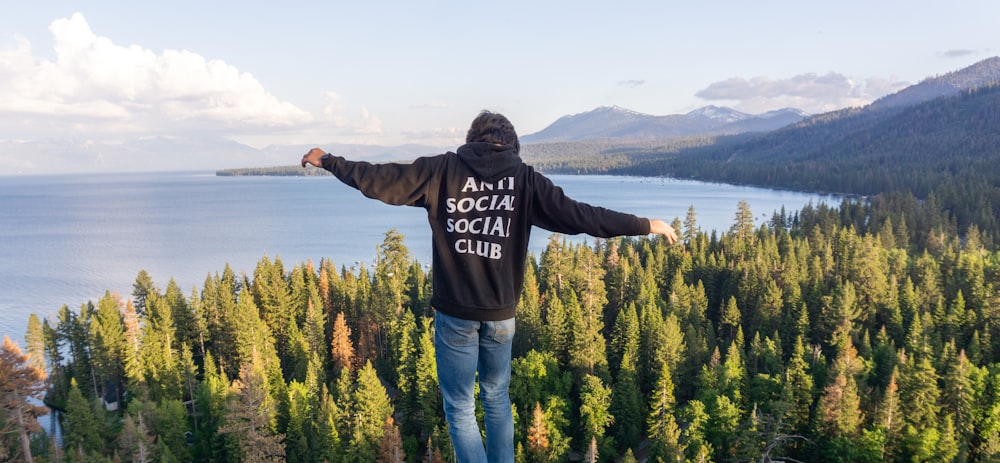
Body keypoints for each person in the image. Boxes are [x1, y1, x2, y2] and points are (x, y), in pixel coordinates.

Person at [301, 110, 677, 463]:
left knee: (461, 407)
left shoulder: (443, 170)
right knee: (497, 398)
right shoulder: (525, 180)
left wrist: (330, 160)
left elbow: (379, 179)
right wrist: (646, 224)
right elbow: (583, 216)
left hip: (456, 316)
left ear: (473, 140)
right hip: (501, 317)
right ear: (511, 145)